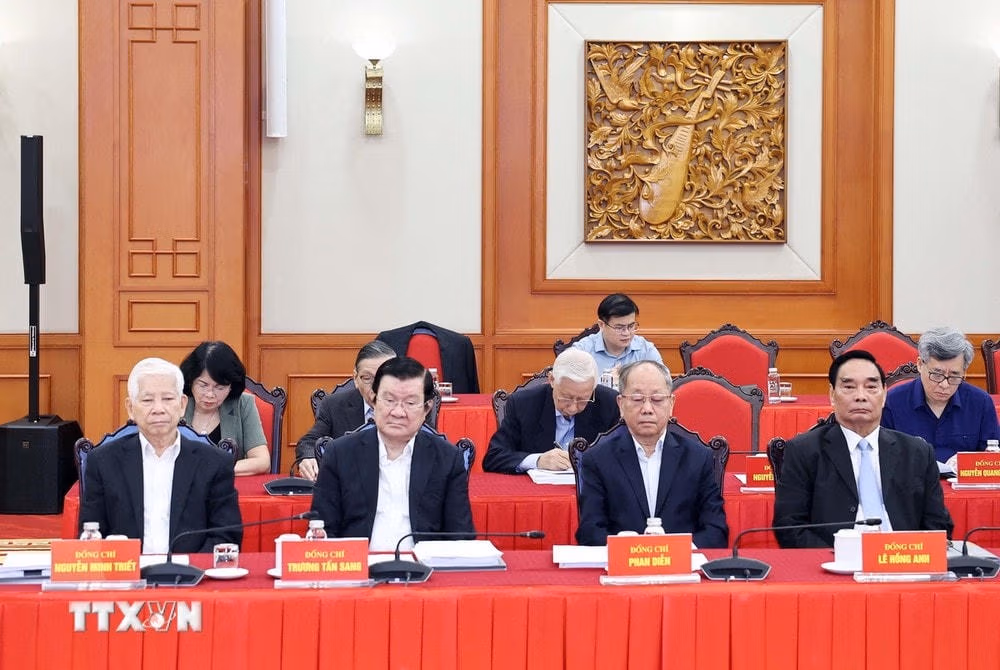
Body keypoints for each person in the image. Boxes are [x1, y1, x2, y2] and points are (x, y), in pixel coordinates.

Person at [773, 350, 953, 548]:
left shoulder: (917, 452)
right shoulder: (803, 451)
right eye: (849, 387)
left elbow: (938, 525)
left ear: (884, 395)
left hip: (902, 557)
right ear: (832, 395)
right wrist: (842, 555)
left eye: (871, 387)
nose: (860, 396)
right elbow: (790, 528)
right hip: (835, 559)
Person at [310, 356, 474, 551]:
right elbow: (323, 529)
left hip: (423, 566)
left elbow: (460, 537)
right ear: (373, 400)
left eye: (410, 403)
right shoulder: (340, 454)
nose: (398, 412)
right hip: (359, 564)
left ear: (427, 408)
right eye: (389, 400)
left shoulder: (447, 458)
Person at [78, 358, 242, 553]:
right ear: (130, 408)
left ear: (182, 405)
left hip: (190, 570)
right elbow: (91, 534)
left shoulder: (214, 463)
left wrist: (188, 566)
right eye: (147, 400)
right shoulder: (103, 462)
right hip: (128, 569)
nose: (158, 409)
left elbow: (225, 535)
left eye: (168, 399)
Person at [575, 360, 728, 547]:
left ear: (671, 404)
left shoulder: (698, 458)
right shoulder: (598, 459)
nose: (647, 409)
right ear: (621, 404)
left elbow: (716, 531)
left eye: (657, 399)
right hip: (623, 562)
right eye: (637, 399)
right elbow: (590, 531)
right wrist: (624, 548)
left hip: (683, 562)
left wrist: (677, 549)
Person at [482, 348, 620, 473]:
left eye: (583, 399)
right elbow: (494, 457)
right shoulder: (523, 403)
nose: (573, 407)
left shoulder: (609, 403)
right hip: (537, 489)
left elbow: (621, 456)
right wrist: (538, 460)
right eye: (566, 397)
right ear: (552, 380)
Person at [882, 327, 1000, 466]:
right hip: (911, 480)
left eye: (954, 376)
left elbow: (992, 459)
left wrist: (968, 463)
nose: (944, 385)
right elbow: (883, 459)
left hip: (960, 479)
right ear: (920, 364)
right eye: (937, 375)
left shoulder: (980, 403)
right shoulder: (892, 402)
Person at [294, 340, 397, 481]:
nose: (376, 386)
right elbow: (308, 442)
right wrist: (308, 457)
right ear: (355, 378)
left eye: (383, 377)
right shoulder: (334, 405)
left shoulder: (414, 406)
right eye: (367, 378)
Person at [179, 341, 270, 476]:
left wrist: (215, 468)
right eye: (203, 385)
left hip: (227, 486)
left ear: (231, 386)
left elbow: (262, 461)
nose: (210, 394)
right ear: (191, 381)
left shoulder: (242, 404)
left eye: (220, 387)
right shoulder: (176, 402)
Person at [572, 293, 662, 385]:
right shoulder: (582, 350)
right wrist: (604, 382)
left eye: (631, 326)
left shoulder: (646, 349)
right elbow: (569, 385)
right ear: (602, 325)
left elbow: (664, 383)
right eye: (619, 328)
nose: (627, 333)